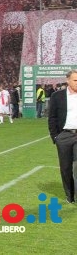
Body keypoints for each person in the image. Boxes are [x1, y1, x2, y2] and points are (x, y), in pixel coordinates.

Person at [48, 70, 77, 204]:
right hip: (64, 136)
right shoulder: (57, 96)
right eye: (75, 80)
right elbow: (52, 117)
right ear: (68, 80)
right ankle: (70, 196)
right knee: (65, 168)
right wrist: (55, 137)